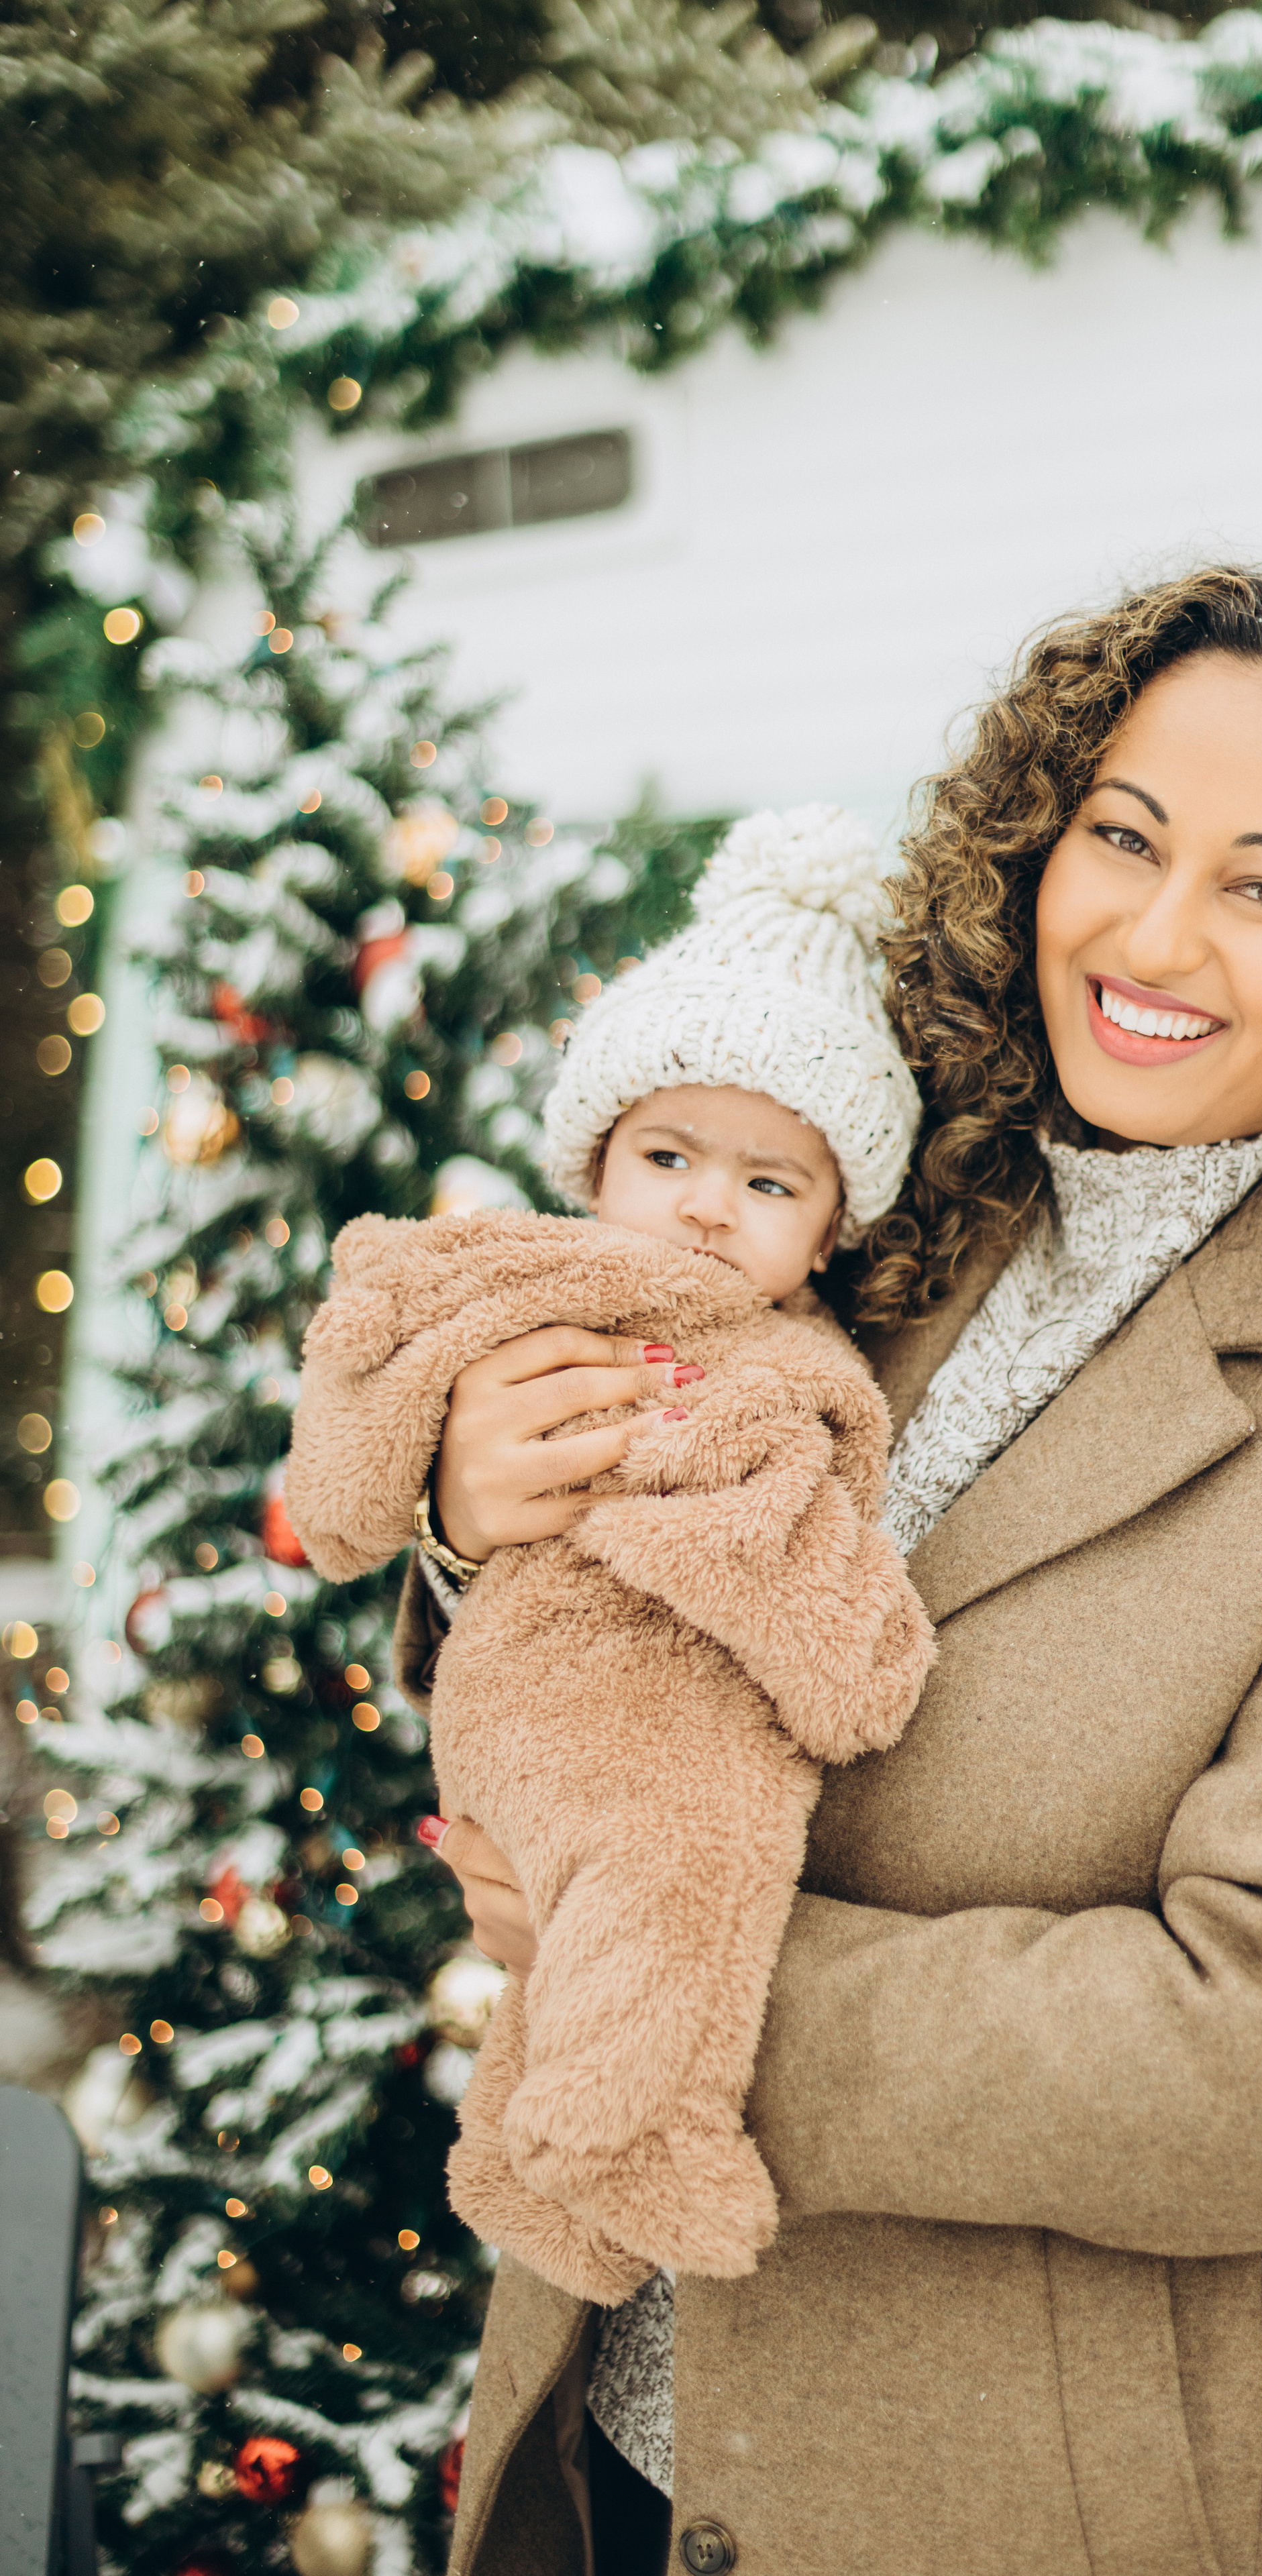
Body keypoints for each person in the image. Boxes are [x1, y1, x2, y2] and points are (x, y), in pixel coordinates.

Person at [409, 568, 1262, 2576]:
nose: (1155, 933)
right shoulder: (894, 1205)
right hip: (623, 2446)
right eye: (1121, 836)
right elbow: (640, 1596)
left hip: (1016, 2507)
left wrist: (669, 1966)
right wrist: (480, 1507)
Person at [283, 806, 935, 2315]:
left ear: (833, 1227)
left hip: (587, 1703)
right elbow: (378, 1351)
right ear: (595, 1160)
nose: (708, 1204)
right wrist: (403, 1498)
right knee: (686, 1880)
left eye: (771, 1184)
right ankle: (637, 2135)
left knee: (606, 1924)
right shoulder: (566, 1296)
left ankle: (535, 2174)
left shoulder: (804, 1362)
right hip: (590, 1704)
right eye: (668, 1155)